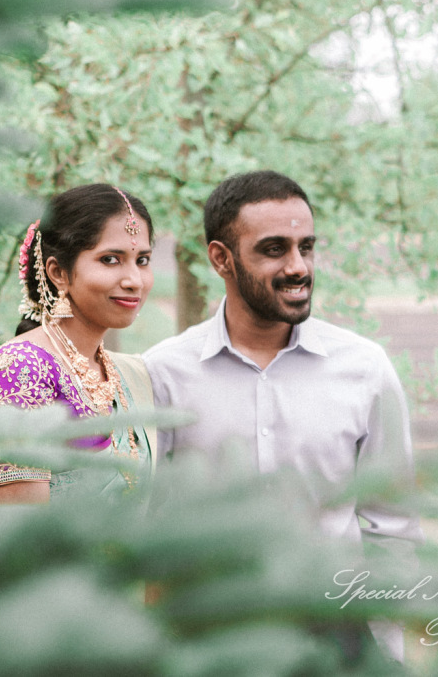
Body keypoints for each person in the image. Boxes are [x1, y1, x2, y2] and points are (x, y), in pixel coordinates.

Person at [142, 170, 423, 662]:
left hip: (337, 646)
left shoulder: (366, 368)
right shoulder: (164, 374)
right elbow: (152, 531)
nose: (299, 266)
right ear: (220, 259)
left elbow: (391, 528)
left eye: (306, 247)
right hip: (210, 645)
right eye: (274, 249)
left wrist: (387, 656)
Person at [0, 183, 156, 506]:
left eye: (142, 260)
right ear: (58, 272)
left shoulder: (116, 370)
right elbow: (24, 537)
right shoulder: (23, 367)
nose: (135, 280)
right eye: (111, 259)